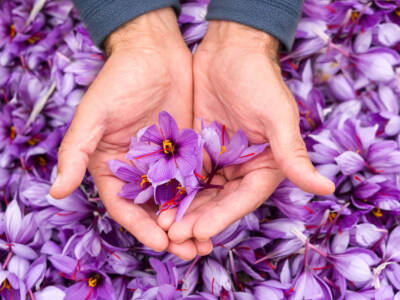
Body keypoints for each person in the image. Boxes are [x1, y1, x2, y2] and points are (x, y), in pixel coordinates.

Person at [49, 0, 335, 261]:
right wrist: (138, 29)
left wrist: (247, 31)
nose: (167, 148)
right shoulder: (172, 150)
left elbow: (181, 144)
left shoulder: (180, 144)